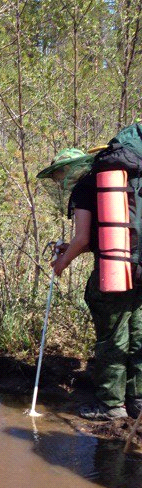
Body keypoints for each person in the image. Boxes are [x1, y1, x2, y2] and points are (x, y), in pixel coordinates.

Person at [52, 164, 142, 420]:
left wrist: (62, 263)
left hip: (113, 272)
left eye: (60, 177)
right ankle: (137, 401)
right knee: (138, 334)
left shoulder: (86, 186)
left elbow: (82, 239)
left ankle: (111, 405)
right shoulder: (130, 181)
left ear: (70, 170)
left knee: (112, 337)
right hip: (140, 269)